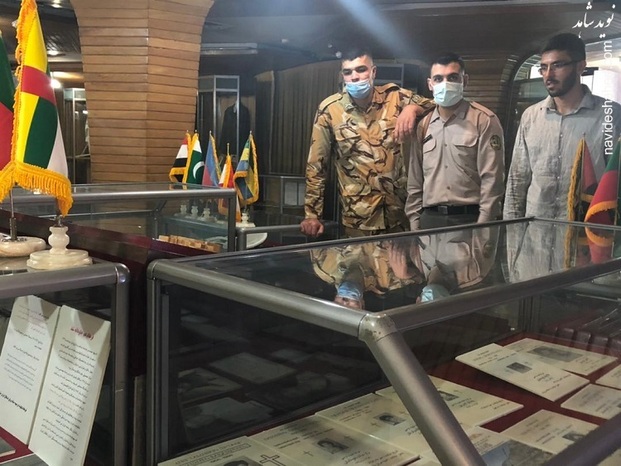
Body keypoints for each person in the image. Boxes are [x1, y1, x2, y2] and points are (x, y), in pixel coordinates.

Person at [301, 47, 435, 238]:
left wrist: (413, 109)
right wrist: (312, 214)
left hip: (400, 213)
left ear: (373, 72)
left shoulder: (396, 98)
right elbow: (316, 165)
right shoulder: (330, 110)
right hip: (359, 217)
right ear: (343, 76)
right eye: (348, 72)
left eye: (361, 69)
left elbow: (437, 105)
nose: (355, 77)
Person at [504, 33, 621, 221]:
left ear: (580, 66)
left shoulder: (611, 116)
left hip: (585, 233)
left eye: (557, 65)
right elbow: (517, 182)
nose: (548, 75)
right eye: (544, 67)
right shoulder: (531, 117)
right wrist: (512, 232)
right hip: (536, 233)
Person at [405, 52, 505, 230]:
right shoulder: (424, 125)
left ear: (464, 81)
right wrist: (414, 222)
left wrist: (483, 226)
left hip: (469, 219)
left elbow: (492, 180)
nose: (445, 84)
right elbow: (415, 180)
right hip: (430, 220)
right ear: (430, 84)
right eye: (438, 79)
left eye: (452, 77)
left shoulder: (483, 120)